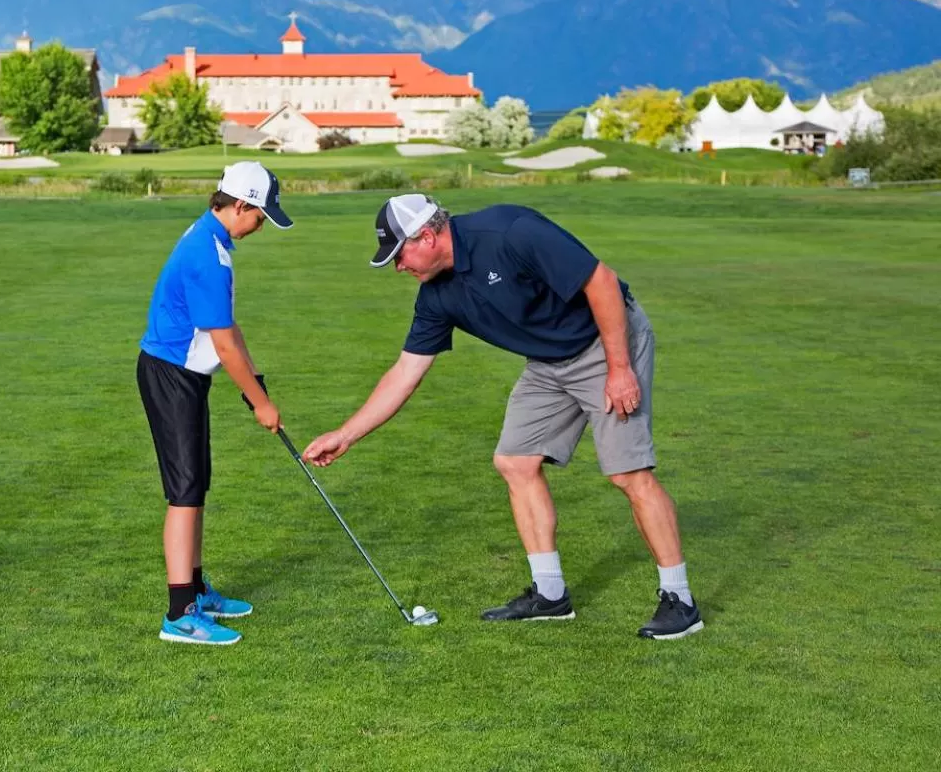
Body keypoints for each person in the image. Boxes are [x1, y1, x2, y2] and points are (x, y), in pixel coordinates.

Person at [303, 194, 702, 640]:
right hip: (548, 362)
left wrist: (620, 368)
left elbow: (601, 282)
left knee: (628, 473)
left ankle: (680, 600)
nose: (398, 267)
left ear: (428, 236)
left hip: (606, 342)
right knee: (515, 461)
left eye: (400, 255)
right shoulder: (436, 296)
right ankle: (550, 595)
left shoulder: (511, 232)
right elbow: (405, 373)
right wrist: (347, 434)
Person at [137, 161, 293, 645]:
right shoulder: (209, 254)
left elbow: (228, 329)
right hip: (170, 376)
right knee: (184, 491)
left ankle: (196, 589)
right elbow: (223, 345)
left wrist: (257, 387)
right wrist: (260, 404)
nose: (261, 226)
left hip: (185, 376)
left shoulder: (214, 238)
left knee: (196, 484)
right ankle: (179, 613)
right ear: (240, 205)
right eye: (260, 217)